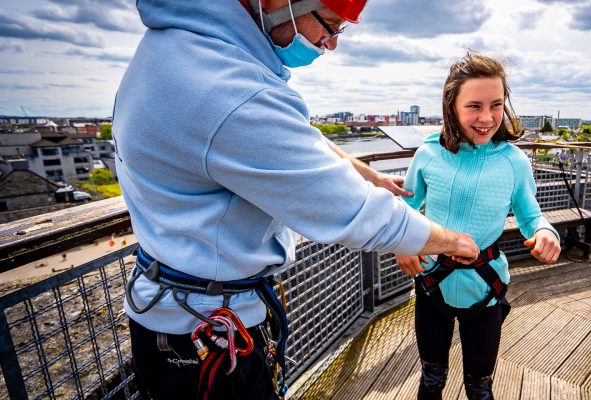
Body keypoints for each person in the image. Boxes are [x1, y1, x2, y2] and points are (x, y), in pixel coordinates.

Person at [113, 1, 479, 399]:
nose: (331, 44)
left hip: (180, 311)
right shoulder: (227, 90)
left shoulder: (185, 53)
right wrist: (455, 241)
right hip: (205, 333)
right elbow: (356, 214)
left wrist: (370, 175)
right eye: (331, 25)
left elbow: (292, 137)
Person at [396, 53, 562, 400]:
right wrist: (403, 244)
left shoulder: (514, 162)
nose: (486, 118)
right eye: (474, 106)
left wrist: (546, 232)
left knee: (480, 387)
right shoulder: (428, 153)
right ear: (451, 106)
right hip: (432, 283)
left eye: (496, 105)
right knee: (431, 379)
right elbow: (405, 209)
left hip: (485, 289)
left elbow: (532, 216)